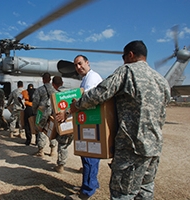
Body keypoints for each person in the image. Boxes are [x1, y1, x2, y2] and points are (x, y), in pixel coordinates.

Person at [70, 41, 171, 199]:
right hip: (154, 147)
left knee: (122, 193)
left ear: (130, 55)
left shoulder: (127, 71)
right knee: (144, 192)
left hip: (132, 148)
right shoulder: (161, 80)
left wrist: (78, 104)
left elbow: (101, 92)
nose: (123, 60)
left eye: (124, 57)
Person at [57, 55, 103, 200]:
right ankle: (90, 184)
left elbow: (86, 100)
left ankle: (86, 192)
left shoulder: (92, 77)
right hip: (88, 121)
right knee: (88, 156)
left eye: (80, 64)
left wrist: (67, 113)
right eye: (76, 65)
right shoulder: (86, 78)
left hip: (93, 122)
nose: (78, 67)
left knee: (89, 156)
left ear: (87, 63)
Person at [52, 76, 74, 173]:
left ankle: (61, 165)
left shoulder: (55, 95)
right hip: (73, 122)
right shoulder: (72, 93)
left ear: (53, 84)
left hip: (62, 123)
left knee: (62, 144)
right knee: (68, 142)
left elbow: (50, 109)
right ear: (62, 82)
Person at [32, 72, 57, 157]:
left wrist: (35, 111)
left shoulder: (39, 90)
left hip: (42, 112)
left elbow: (35, 101)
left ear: (43, 80)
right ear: (50, 79)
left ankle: (41, 151)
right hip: (53, 112)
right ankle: (53, 150)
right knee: (52, 129)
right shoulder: (55, 89)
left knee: (41, 130)